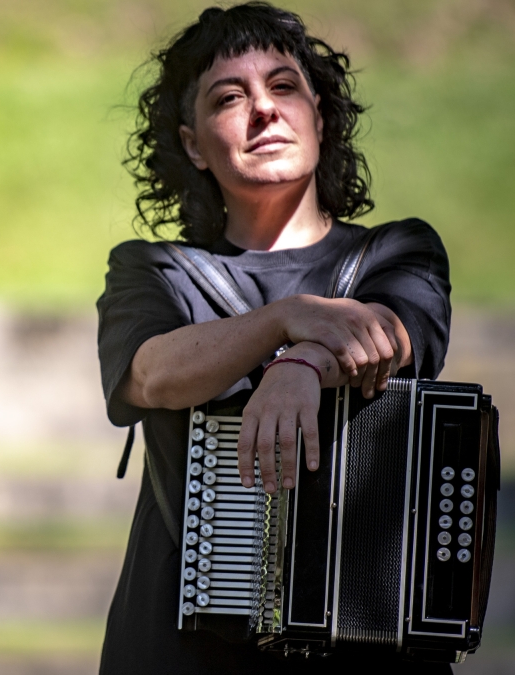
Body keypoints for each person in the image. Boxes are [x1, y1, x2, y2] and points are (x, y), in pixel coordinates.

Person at [96, 4, 453, 673]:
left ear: (319, 115)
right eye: (229, 98)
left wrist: (301, 366)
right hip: (183, 654)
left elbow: (394, 333)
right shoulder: (153, 271)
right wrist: (284, 320)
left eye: (284, 86)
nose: (263, 108)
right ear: (194, 145)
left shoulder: (401, 250)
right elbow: (151, 374)